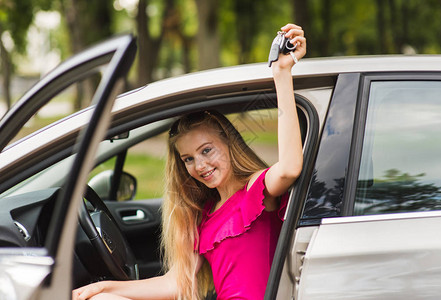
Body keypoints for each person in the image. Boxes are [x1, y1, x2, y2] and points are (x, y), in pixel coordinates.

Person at [72, 23, 305, 300]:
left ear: (229, 144)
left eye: (207, 151)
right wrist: (104, 287)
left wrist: (281, 74)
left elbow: (290, 168)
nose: (200, 166)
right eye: (188, 159)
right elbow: (177, 284)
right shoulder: (205, 214)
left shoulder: (255, 190)